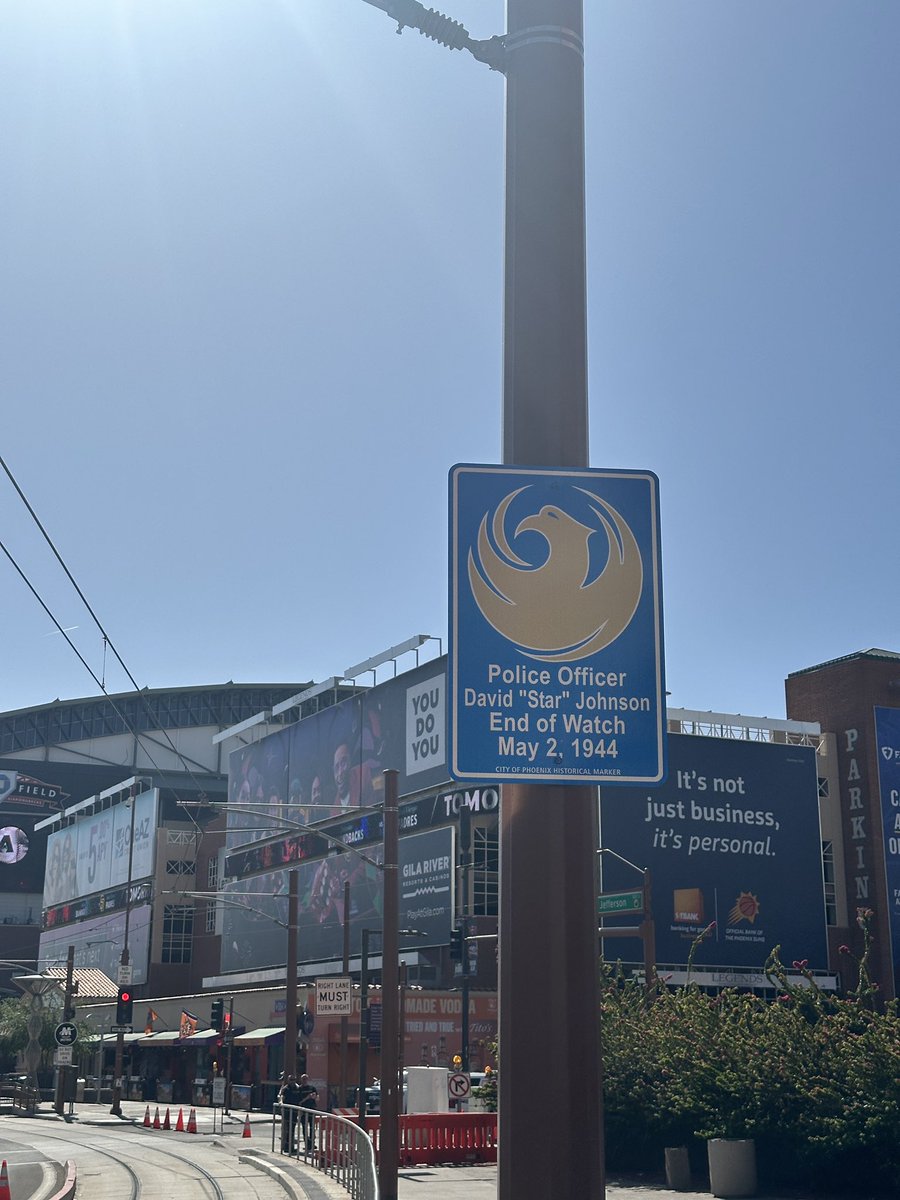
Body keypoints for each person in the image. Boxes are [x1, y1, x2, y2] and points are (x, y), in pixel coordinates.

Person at [278, 1073, 302, 1152]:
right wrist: (281, 1103)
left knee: (292, 1129)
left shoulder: (297, 1088)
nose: (293, 1081)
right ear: (288, 1080)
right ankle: (286, 1147)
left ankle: (290, 1147)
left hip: (295, 1111)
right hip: (287, 1111)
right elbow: (281, 1096)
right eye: (291, 1080)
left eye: (294, 1079)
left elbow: (300, 1099)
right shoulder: (286, 1088)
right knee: (287, 1129)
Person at [297, 1074, 318, 1153]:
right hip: (304, 1111)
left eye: (306, 1079)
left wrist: (314, 1097)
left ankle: (312, 1143)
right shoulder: (299, 1089)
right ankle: (307, 1143)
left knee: (312, 1128)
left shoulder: (312, 1088)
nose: (305, 1080)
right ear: (301, 1080)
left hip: (312, 1110)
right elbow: (299, 1102)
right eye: (303, 1079)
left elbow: (317, 1098)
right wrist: (307, 1097)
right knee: (304, 1128)